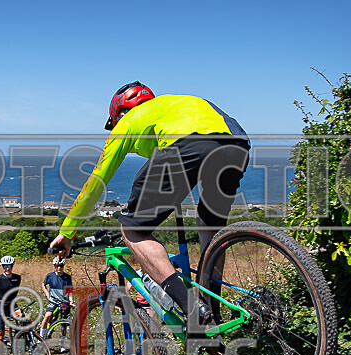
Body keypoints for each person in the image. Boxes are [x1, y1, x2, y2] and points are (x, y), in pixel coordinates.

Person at [49, 82, 250, 324]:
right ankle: (212, 309)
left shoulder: (127, 121)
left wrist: (67, 231)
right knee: (209, 226)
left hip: (186, 144)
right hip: (237, 145)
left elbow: (96, 181)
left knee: (133, 228)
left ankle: (192, 308)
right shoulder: (175, 103)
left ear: (120, 113)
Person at [39, 256, 73, 339]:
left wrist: (71, 301)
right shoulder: (50, 276)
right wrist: (47, 294)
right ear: (54, 266)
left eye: (61, 266)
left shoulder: (67, 277)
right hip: (53, 301)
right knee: (47, 316)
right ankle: (41, 337)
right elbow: (43, 285)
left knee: (63, 323)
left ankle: (62, 342)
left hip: (64, 302)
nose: (59, 268)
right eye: (57, 266)